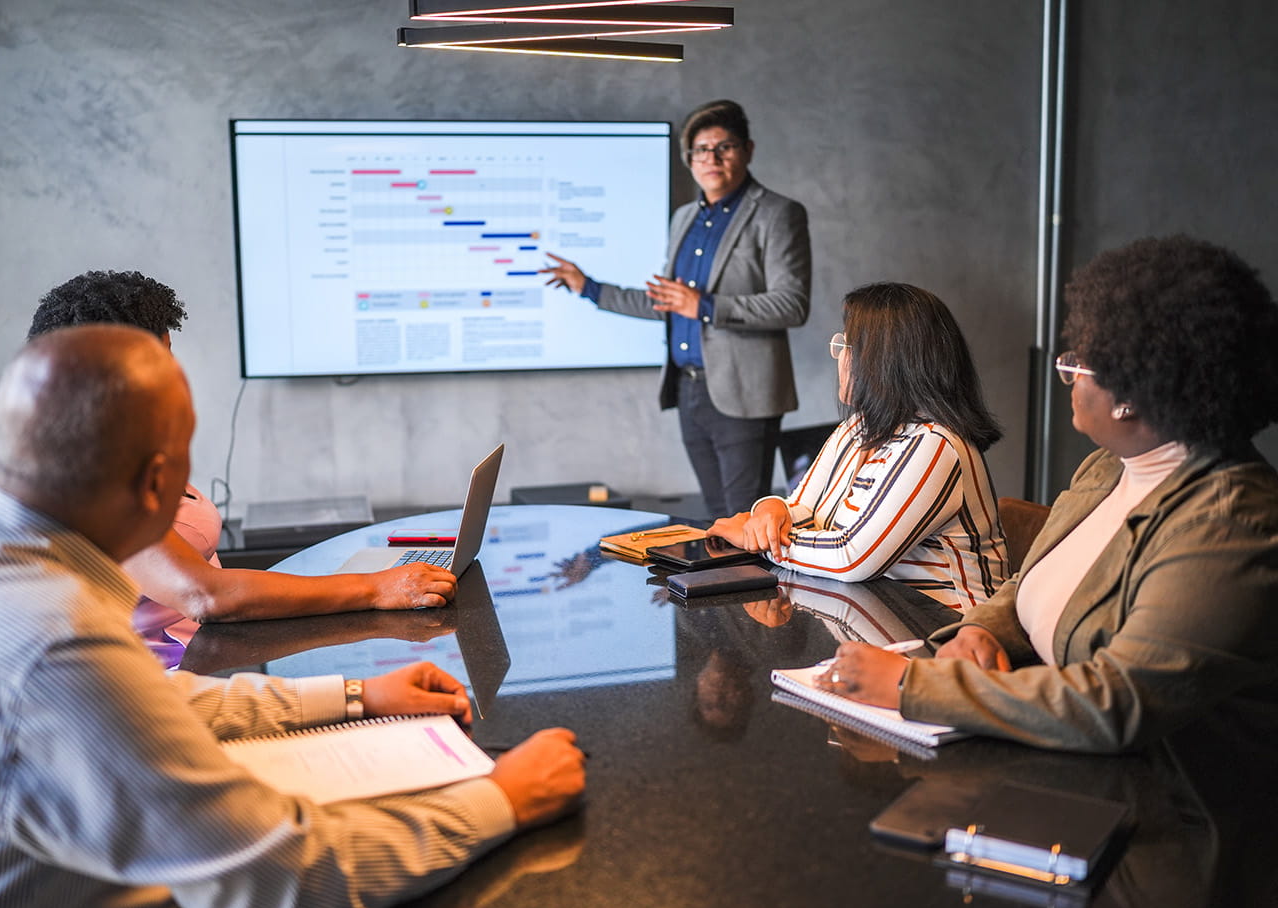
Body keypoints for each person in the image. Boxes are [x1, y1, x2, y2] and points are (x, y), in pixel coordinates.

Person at [0, 324, 585, 908]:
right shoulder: (50, 645)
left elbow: (145, 702)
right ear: (160, 482)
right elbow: (283, 879)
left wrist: (355, 697)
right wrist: (501, 798)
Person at [821, 236, 1278, 752]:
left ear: (1130, 393)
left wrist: (912, 686)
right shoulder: (1108, 468)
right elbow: (1030, 585)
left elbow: (1114, 703)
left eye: (1079, 360)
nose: (1066, 373)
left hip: (1163, 806)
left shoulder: (1231, 524)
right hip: (1053, 752)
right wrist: (981, 633)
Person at [29, 270, 457, 668]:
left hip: (220, 650)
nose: (175, 374)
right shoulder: (95, 478)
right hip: (179, 681)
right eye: (162, 357)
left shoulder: (122, 449)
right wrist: (375, 587)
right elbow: (204, 595)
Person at [541, 99, 811, 517]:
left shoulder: (777, 214)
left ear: (748, 150)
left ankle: (758, 585)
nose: (712, 158)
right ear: (689, 160)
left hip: (744, 396)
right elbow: (668, 304)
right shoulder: (684, 218)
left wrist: (704, 305)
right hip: (688, 390)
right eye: (701, 150)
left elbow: (792, 305)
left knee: (745, 523)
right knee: (717, 519)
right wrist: (589, 287)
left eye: (724, 146)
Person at [707, 282, 1008, 610]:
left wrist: (755, 542)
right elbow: (805, 511)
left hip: (950, 638)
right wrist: (767, 511)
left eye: (846, 344)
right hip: (876, 620)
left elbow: (850, 558)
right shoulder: (858, 428)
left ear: (884, 361)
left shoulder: (935, 446)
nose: (839, 357)